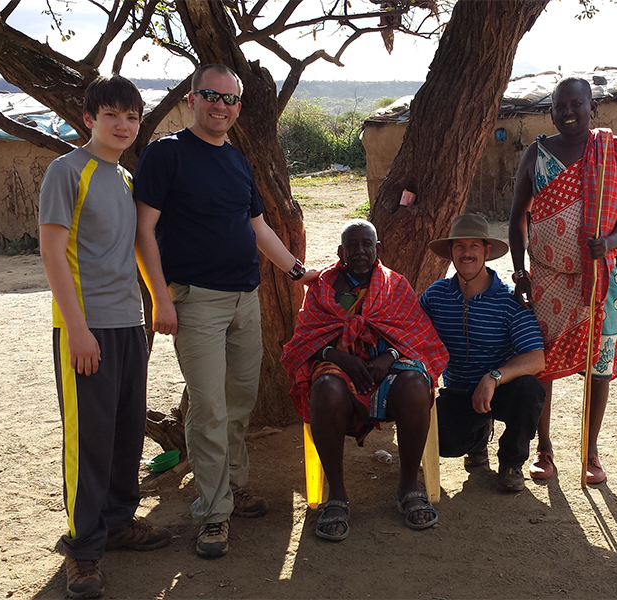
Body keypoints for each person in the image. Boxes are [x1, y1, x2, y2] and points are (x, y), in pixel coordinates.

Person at [133, 63, 317, 558]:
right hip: (195, 301)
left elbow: (257, 226)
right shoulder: (165, 155)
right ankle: (213, 513)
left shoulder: (236, 161)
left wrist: (300, 272)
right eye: (210, 96)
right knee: (209, 407)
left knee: (239, 401)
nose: (220, 105)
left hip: (245, 298)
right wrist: (160, 297)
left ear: (238, 107)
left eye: (230, 99)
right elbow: (143, 231)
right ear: (192, 100)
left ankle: (233, 486)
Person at [39, 75, 171, 600]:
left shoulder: (122, 178)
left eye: (132, 117)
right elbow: (52, 253)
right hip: (85, 328)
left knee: (122, 433)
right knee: (88, 439)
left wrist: (158, 300)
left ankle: (118, 523)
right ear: (89, 118)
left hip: (127, 325)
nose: (123, 125)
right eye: (112, 115)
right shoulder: (66, 171)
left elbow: (139, 243)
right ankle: (84, 550)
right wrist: (77, 330)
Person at [281, 219, 449, 540]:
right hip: (340, 370)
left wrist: (390, 357)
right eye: (352, 246)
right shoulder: (323, 288)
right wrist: (338, 356)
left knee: (416, 385)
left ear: (378, 250)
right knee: (325, 388)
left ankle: (408, 485)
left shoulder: (395, 285)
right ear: (340, 251)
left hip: (389, 371)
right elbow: (305, 343)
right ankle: (338, 495)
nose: (360, 251)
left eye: (366, 245)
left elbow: (418, 338)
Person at [509, 76, 617, 484]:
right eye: (559, 106)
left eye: (575, 104)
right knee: (543, 367)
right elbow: (517, 217)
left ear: (592, 107)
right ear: (551, 111)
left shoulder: (611, 152)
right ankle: (544, 450)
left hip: (600, 281)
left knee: (598, 366)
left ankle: (590, 450)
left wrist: (609, 242)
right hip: (547, 282)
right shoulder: (536, 154)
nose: (567, 112)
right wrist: (519, 272)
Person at [420, 214, 546, 492]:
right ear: (451, 252)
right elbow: (413, 334)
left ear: (487, 251)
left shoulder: (508, 300)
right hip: (457, 390)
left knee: (530, 389)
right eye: (459, 246)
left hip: (500, 389)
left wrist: (493, 377)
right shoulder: (435, 295)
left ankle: (512, 462)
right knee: (441, 440)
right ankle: (477, 437)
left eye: (474, 246)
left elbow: (536, 358)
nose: (466, 253)